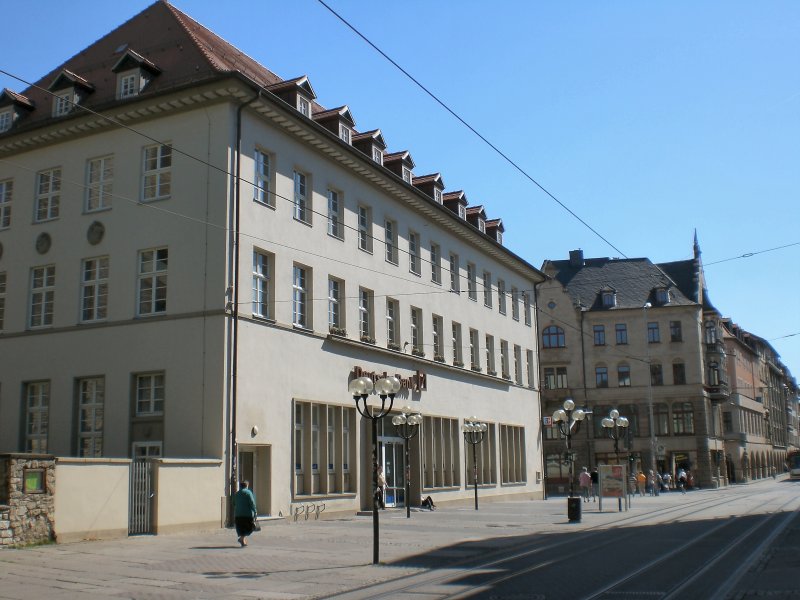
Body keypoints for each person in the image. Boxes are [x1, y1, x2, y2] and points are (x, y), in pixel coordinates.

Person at [233, 480, 257, 547]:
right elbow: (252, 503)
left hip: (238, 514)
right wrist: (255, 511)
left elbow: (233, 503)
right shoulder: (248, 493)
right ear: (246, 486)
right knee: (249, 528)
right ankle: (241, 539)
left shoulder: (237, 493)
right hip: (247, 514)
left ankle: (242, 541)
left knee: (241, 528)